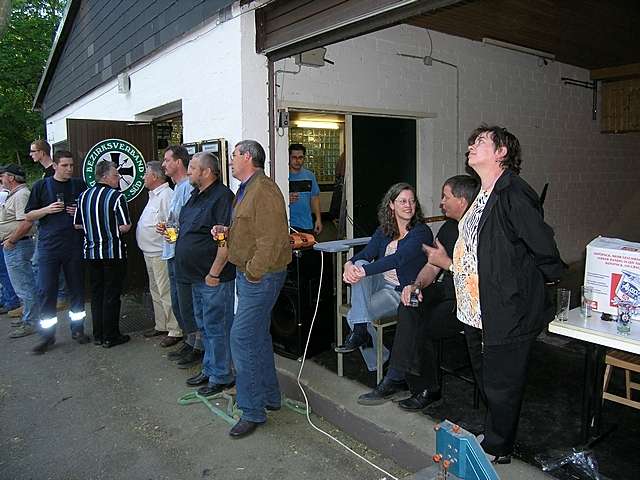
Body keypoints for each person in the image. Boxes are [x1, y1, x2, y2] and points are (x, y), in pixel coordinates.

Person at [425, 125, 564, 464]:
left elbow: (543, 248)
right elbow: (477, 250)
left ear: (502, 152)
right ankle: (496, 431)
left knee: (502, 383)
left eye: (481, 142)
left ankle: (499, 447)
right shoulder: (482, 196)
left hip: (506, 309)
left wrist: (535, 289)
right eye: (472, 142)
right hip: (475, 309)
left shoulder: (513, 192)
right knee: (488, 379)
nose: (471, 146)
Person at [376, 175, 478, 410]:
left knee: (422, 326)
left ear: (462, 201)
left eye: (446, 197)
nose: (441, 202)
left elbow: (480, 277)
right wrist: (416, 285)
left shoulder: (480, 232)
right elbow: (432, 265)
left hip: (469, 301)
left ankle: (427, 388)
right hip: (446, 289)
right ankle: (398, 375)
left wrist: (446, 263)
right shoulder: (449, 228)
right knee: (410, 302)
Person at [221, 139, 291, 438]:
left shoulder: (263, 190)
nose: (231, 161)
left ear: (248, 156)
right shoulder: (247, 189)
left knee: (241, 338)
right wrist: (227, 233)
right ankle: (270, 397)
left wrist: (252, 272)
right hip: (251, 275)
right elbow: (252, 231)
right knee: (257, 337)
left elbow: (271, 239)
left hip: (260, 278)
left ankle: (252, 410)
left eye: (234, 155)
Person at [334, 183, 433, 379]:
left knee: (355, 313)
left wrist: (361, 271)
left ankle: (368, 341)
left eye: (412, 201)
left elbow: (397, 260)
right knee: (360, 262)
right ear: (391, 205)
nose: (409, 205)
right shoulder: (384, 230)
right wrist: (349, 264)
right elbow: (367, 254)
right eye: (403, 201)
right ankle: (366, 334)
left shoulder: (421, 232)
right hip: (380, 282)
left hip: (400, 290)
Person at [177, 152, 235, 396]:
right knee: (204, 325)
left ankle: (222, 375)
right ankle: (210, 369)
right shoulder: (194, 196)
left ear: (207, 172)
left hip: (213, 277)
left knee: (217, 326)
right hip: (194, 276)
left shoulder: (223, 197)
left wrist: (214, 273)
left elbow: (227, 239)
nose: (188, 171)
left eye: (192, 167)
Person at [25, 150, 87, 354]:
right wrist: (46, 210)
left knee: (77, 290)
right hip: (49, 247)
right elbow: (29, 215)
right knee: (46, 291)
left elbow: (89, 210)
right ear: (55, 166)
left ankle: (78, 330)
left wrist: (78, 211)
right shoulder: (42, 186)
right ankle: (47, 336)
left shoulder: (79, 185)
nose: (69, 169)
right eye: (65, 166)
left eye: (71, 166)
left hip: (73, 245)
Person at [74, 161, 132, 348]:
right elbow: (125, 226)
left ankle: (98, 334)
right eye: (116, 175)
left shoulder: (83, 196)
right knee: (112, 294)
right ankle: (111, 335)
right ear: (105, 177)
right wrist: (109, 230)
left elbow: (77, 224)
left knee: (97, 294)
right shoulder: (116, 196)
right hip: (112, 253)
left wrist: (93, 231)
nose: (118, 178)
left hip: (91, 254)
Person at [160, 145, 203, 367]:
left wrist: (174, 232)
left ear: (179, 162)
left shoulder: (187, 188)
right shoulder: (176, 188)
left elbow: (189, 223)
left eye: (167, 160)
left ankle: (197, 346)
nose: (164, 165)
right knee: (178, 302)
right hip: (172, 252)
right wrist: (167, 229)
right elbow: (176, 221)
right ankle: (189, 340)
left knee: (187, 302)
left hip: (181, 254)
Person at [136, 161, 183, 346]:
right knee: (155, 290)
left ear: (154, 177)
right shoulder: (154, 195)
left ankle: (175, 329)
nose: (143, 178)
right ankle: (161, 324)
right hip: (150, 252)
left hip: (160, 252)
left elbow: (173, 223)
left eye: (146, 174)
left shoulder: (167, 196)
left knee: (165, 291)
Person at [0, 165, 38, 338]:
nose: (1, 179)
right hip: (15, 245)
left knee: (25, 286)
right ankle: (28, 317)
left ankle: (31, 322)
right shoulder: (15, 195)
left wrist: (11, 240)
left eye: (3, 176)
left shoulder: (21, 195)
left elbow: (26, 222)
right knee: (23, 285)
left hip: (18, 245)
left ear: (11, 178)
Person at [288, 144, 322, 235]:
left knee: (309, 249)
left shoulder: (310, 176)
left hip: (307, 224)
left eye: (300, 157)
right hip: (289, 225)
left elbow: (314, 198)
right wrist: (286, 199)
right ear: (289, 158)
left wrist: (318, 219)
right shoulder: (283, 177)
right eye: (294, 157)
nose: (297, 161)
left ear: (304, 158)